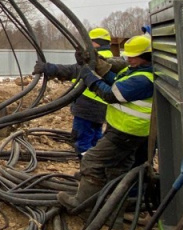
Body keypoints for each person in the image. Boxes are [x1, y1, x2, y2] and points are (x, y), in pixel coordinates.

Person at [55, 34, 154, 210]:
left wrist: (90, 78)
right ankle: (115, 211)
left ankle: (81, 204)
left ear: (146, 57)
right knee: (118, 169)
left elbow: (110, 94)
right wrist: (92, 63)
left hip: (126, 132)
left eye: (134, 56)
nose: (129, 59)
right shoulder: (137, 71)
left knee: (92, 160)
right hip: (127, 130)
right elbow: (115, 81)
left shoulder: (143, 79)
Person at [33, 27, 124, 155]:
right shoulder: (112, 59)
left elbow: (72, 70)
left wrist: (47, 68)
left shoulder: (95, 60)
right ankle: (95, 166)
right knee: (95, 139)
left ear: (95, 43)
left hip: (87, 109)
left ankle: (87, 169)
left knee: (82, 142)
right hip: (101, 110)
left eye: (89, 42)